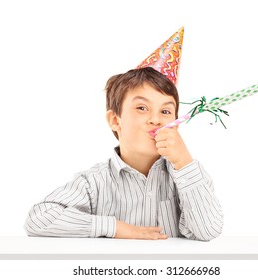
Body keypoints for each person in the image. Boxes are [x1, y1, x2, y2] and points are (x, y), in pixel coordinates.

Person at [24, 28, 223, 241]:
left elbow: (208, 231)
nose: (155, 119)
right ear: (115, 120)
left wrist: (184, 162)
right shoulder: (94, 182)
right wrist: (115, 228)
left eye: (165, 111)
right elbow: (38, 219)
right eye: (142, 108)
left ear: (176, 124)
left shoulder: (188, 174)